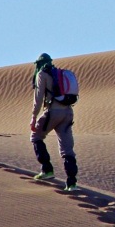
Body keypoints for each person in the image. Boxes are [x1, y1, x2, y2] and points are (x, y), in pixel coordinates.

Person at [29, 53, 78, 190]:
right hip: (68, 113)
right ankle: (71, 183)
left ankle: (47, 169)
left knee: (36, 136)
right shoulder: (58, 73)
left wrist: (33, 117)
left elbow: (38, 99)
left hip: (53, 112)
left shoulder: (42, 74)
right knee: (67, 149)